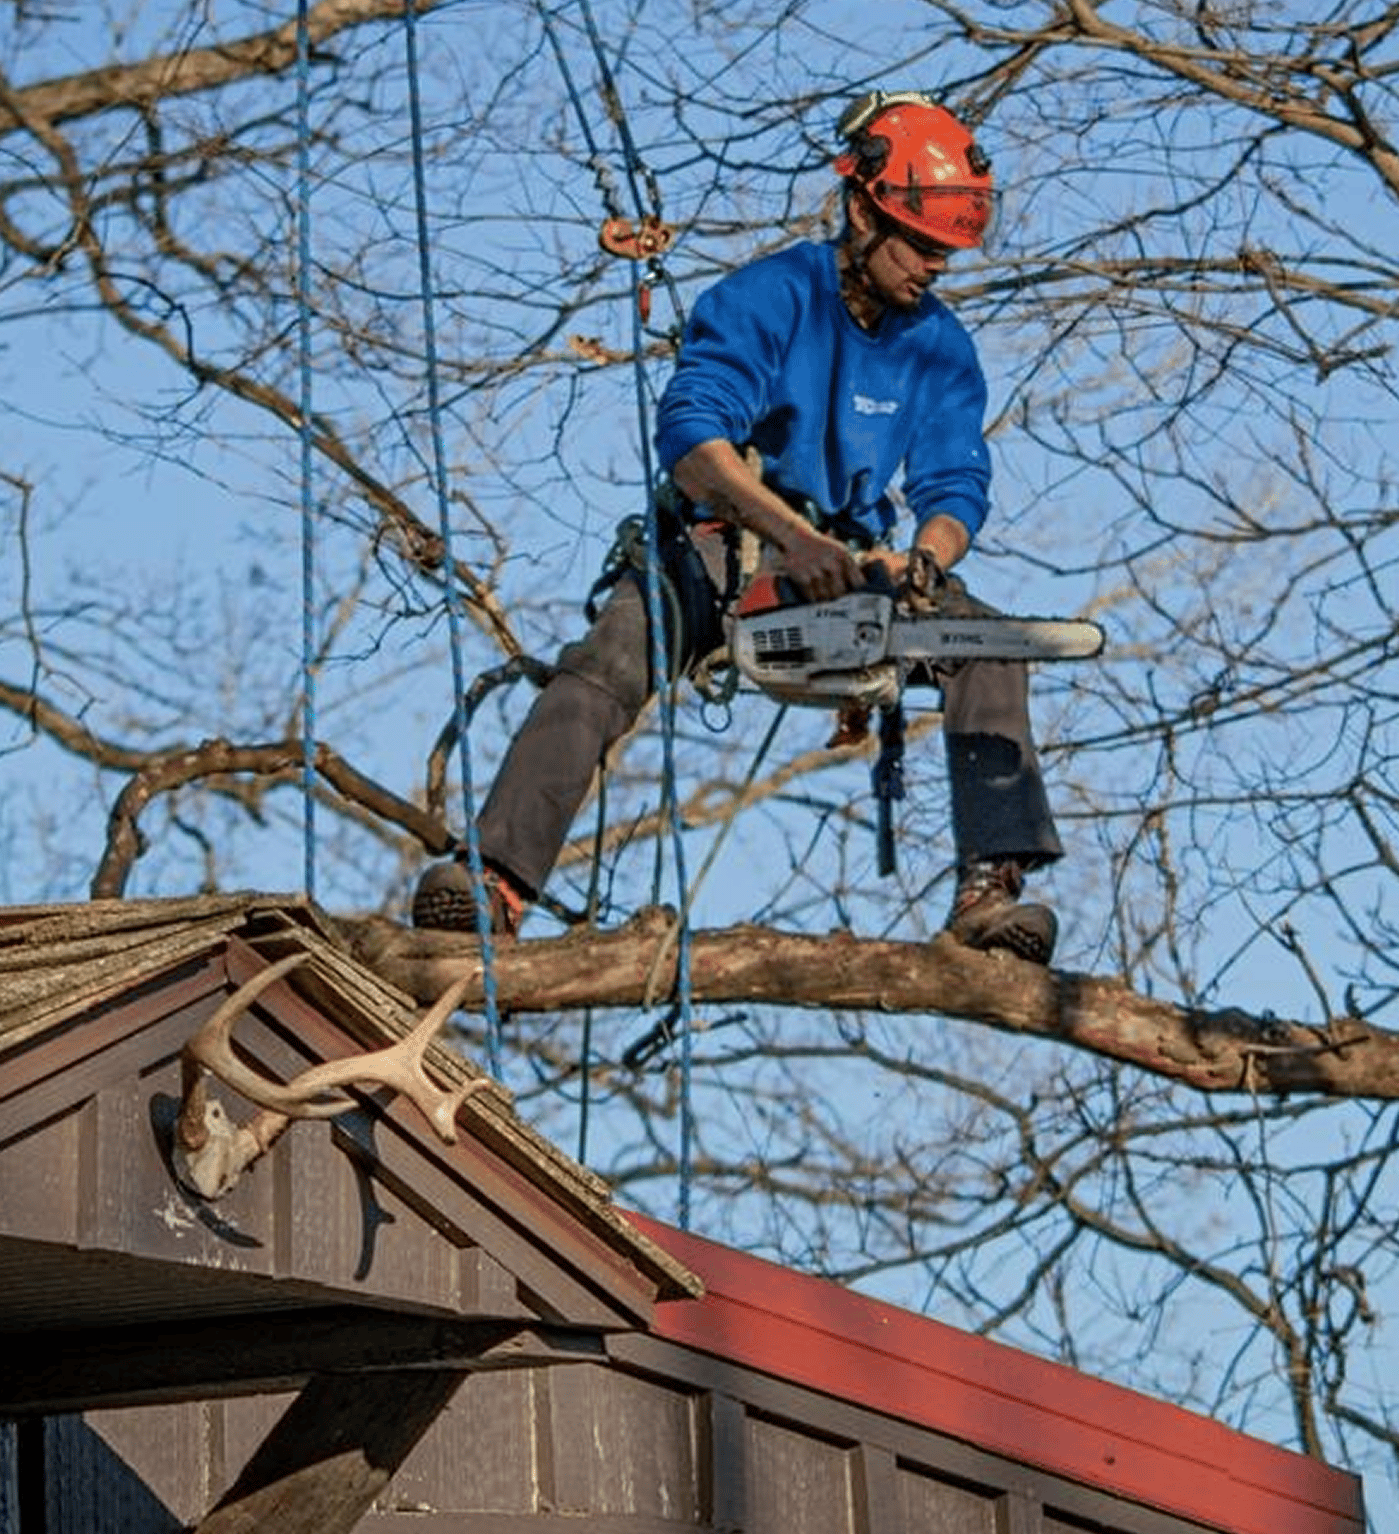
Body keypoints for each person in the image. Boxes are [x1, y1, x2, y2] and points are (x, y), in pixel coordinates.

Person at [410, 91, 1063, 962]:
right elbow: (691, 437)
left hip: (852, 563)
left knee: (987, 645)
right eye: (919, 242)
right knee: (607, 662)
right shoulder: (770, 296)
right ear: (863, 209)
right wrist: (788, 535)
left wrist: (923, 559)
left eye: (947, 250)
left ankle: (989, 894)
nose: (933, 266)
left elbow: (955, 481)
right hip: (721, 546)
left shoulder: (938, 347)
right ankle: (494, 876)